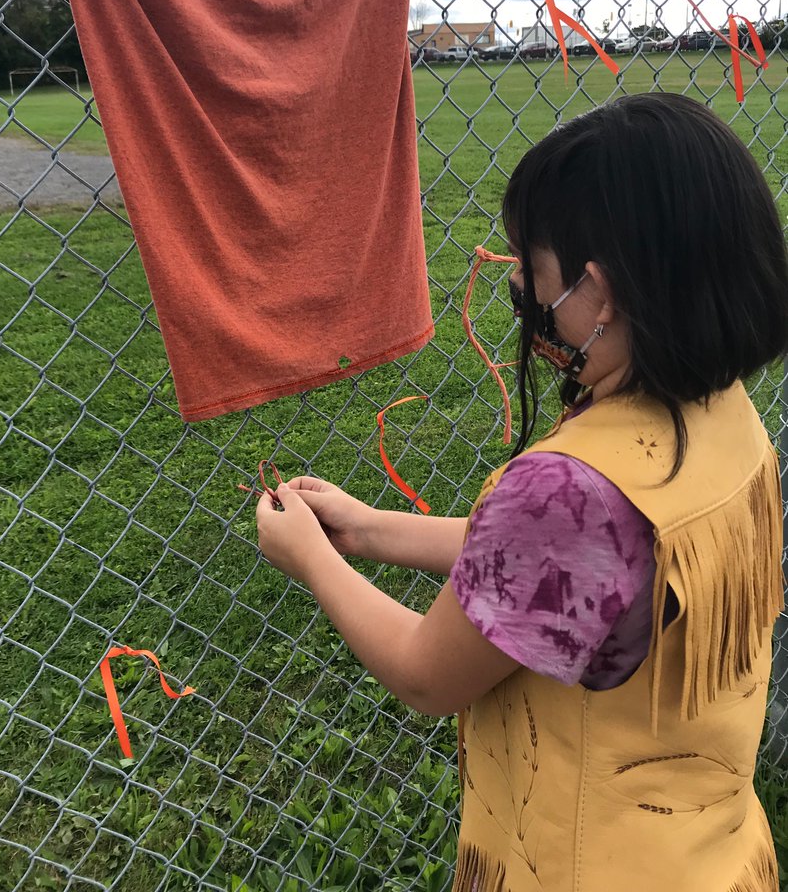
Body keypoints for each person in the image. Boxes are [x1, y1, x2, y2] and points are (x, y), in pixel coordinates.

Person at [255, 91, 788, 891]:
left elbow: (426, 675)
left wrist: (313, 560)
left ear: (598, 294)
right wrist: (365, 529)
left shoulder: (568, 489)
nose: (524, 292)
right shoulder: (722, 416)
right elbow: (548, 571)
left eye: (531, 269)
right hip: (716, 856)